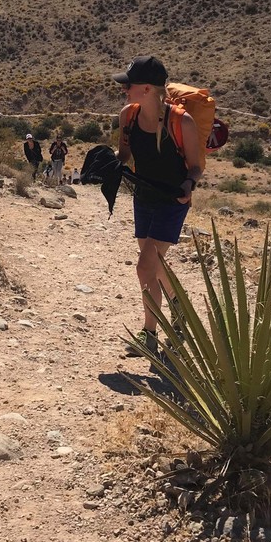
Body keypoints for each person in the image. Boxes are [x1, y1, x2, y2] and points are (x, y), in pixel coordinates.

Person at [114, 55, 201, 357]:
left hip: (172, 201)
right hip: (144, 196)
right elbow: (124, 154)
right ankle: (180, 308)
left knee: (144, 266)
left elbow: (195, 167)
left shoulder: (182, 122)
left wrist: (189, 185)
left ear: (148, 88)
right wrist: (109, 162)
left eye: (129, 85)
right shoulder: (128, 116)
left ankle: (149, 335)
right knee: (154, 264)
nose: (124, 90)